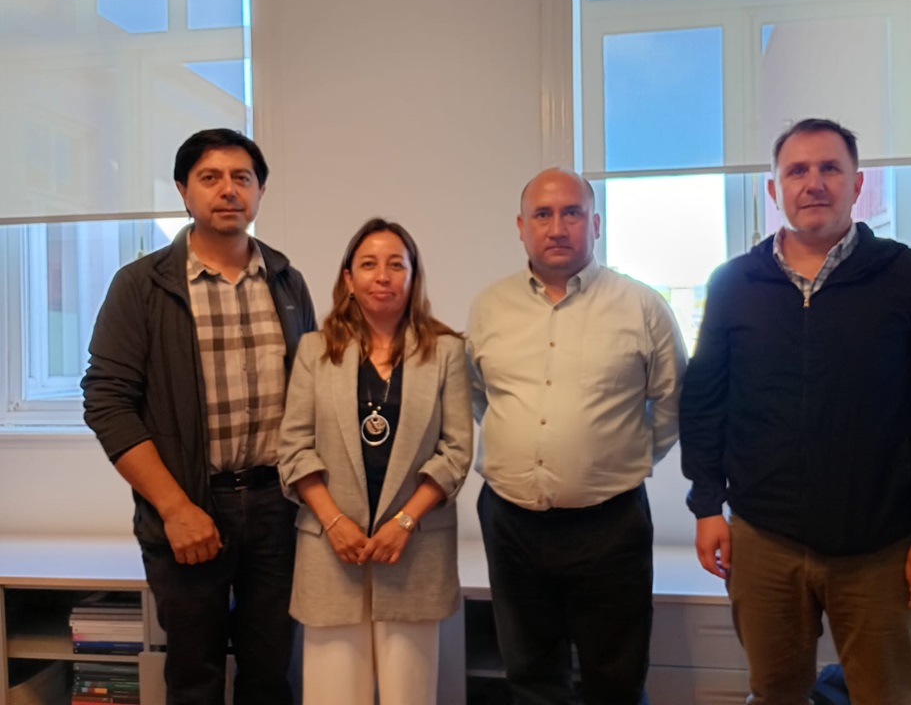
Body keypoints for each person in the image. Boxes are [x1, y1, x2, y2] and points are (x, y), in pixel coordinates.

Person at [680, 118, 911, 704]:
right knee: (773, 693)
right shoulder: (734, 283)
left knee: (885, 697)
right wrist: (706, 504)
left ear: (857, 183)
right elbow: (705, 400)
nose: (813, 182)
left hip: (883, 546)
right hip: (763, 540)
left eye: (829, 168)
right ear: (774, 190)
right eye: (797, 170)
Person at [81, 128, 316, 705]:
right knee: (194, 680)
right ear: (184, 192)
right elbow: (107, 401)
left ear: (260, 192)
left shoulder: (287, 282)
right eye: (210, 178)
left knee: (272, 675)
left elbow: (312, 396)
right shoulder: (141, 286)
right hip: (188, 508)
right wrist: (175, 509)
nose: (228, 190)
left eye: (242, 178)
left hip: (277, 509)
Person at [466, 167, 689, 704]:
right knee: (530, 677)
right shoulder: (490, 306)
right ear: (521, 226)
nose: (557, 226)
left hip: (609, 524)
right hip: (511, 522)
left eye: (572, 213)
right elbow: (479, 395)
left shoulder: (642, 306)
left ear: (596, 224)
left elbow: (673, 402)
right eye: (543, 214)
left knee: (615, 680)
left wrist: (617, 458)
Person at [277, 218, 472, 705]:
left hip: (415, 550)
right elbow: (294, 448)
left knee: (410, 695)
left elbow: (456, 451)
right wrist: (335, 521)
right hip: (331, 550)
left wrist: (403, 522)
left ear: (413, 276)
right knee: (333, 695)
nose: (382, 276)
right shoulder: (315, 351)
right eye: (368, 264)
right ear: (349, 278)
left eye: (395, 265)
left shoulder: (447, 352)